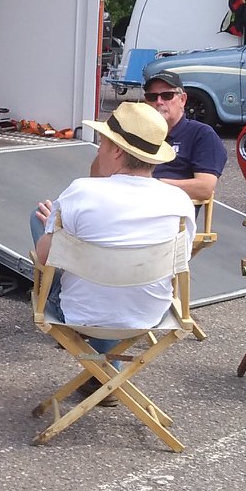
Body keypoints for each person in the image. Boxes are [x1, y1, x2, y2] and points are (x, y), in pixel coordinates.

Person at [34, 100, 195, 345]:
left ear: (117, 151)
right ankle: (108, 364)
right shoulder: (179, 201)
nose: (99, 150)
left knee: (39, 221)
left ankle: (101, 362)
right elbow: (181, 260)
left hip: (79, 316)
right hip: (150, 316)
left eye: (103, 142)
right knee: (115, 280)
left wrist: (54, 228)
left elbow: (44, 257)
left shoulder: (81, 192)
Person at [139, 69, 225, 203]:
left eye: (167, 96)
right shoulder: (137, 132)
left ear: (182, 100)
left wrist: (152, 185)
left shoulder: (202, 135)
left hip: (171, 210)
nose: (159, 101)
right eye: (152, 97)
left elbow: (204, 188)